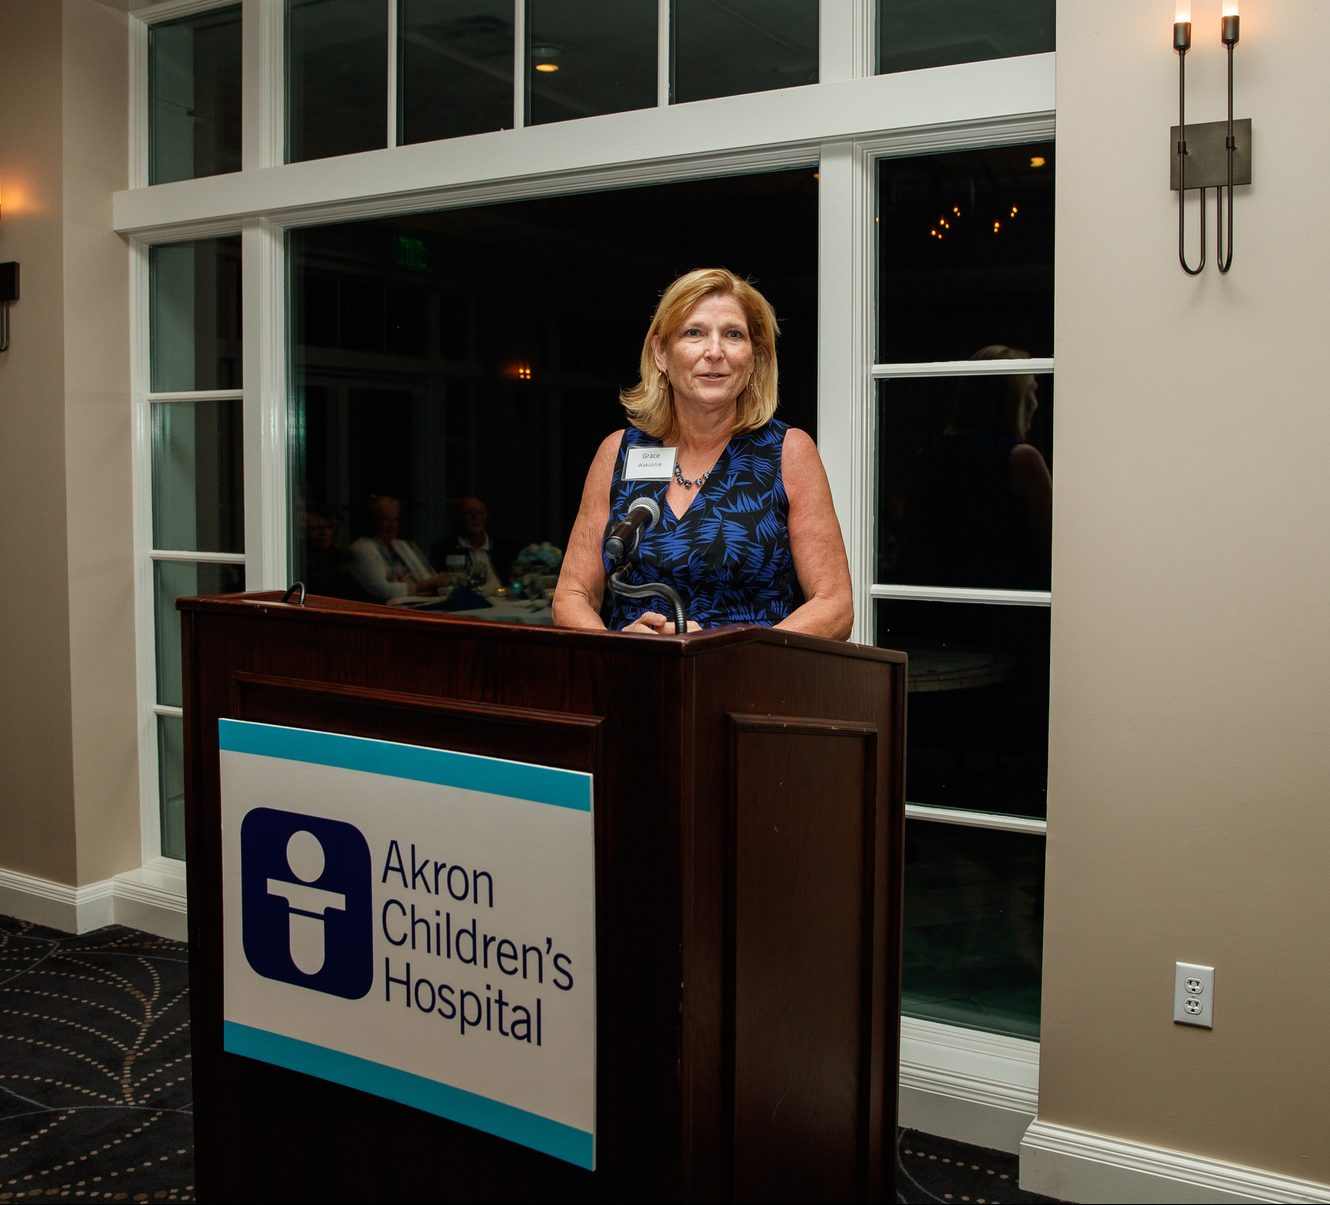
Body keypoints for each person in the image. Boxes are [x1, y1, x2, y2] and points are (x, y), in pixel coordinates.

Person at [553, 267, 852, 638]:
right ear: (661, 353)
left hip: (750, 672)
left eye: (733, 334)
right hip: (635, 671)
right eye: (693, 333)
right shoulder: (618, 452)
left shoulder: (788, 452)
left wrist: (729, 653)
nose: (714, 352)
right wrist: (619, 647)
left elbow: (835, 606)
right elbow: (572, 596)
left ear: (754, 358)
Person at [895, 345, 1052, 592]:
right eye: (1031, 391)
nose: (1035, 402)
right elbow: (1053, 551)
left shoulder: (929, 456)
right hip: (1008, 603)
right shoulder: (1022, 460)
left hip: (939, 602)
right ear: (1013, 399)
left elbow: (911, 548)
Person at [347, 494, 448, 602]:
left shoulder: (402, 545)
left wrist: (441, 580)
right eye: (385, 520)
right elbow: (383, 591)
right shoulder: (361, 549)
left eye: (395, 520)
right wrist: (425, 585)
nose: (392, 526)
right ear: (373, 521)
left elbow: (427, 577)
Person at [430, 495, 509, 596]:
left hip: (505, 599)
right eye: (468, 513)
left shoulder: (505, 548)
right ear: (457, 517)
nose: (475, 518)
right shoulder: (443, 549)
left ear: (486, 516)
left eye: (479, 513)